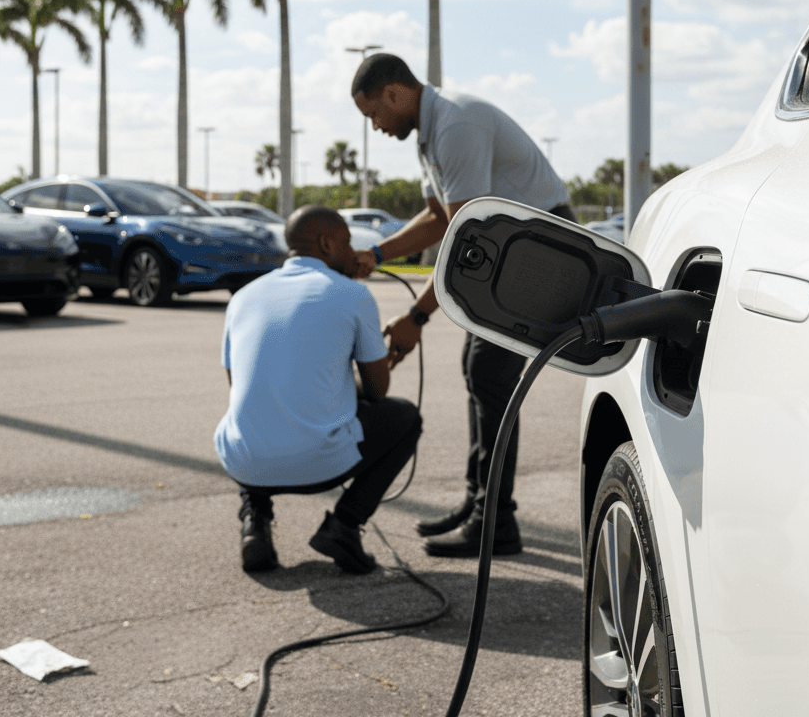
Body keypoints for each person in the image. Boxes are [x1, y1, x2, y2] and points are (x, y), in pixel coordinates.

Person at [351, 53, 575, 558]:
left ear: (393, 93)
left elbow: (463, 240)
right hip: (512, 249)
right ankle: (480, 502)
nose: (377, 127)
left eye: (374, 115)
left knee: (490, 372)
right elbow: (437, 217)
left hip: (542, 249)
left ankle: (495, 521)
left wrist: (417, 317)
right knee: (479, 370)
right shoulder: (429, 134)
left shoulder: (455, 125)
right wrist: (379, 253)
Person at [214, 205, 422, 574]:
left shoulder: (243, 297)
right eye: (347, 242)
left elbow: (244, 386)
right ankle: (344, 525)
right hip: (319, 466)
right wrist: (385, 359)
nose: (353, 252)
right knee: (405, 417)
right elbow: (377, 392)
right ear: (327, 245)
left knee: (255, 413)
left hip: (246, 464)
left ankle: (255, 524)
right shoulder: (351, 295)